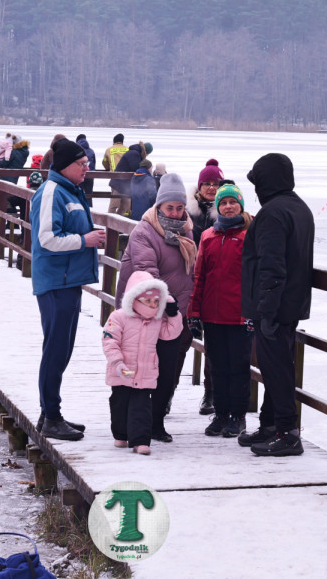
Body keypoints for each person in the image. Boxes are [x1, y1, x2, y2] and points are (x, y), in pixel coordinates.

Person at [30, 138, 105, 441]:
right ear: (65, 166)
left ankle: (49, 411)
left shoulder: (69, 190)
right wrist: (85, 241)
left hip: (68, 281)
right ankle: (51, 416)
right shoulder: (50, 192)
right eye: (82, 163)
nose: (87, 168)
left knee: (62, 349)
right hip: (55, 282)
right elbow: (46, 239)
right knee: (56, 349)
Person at [240, 153, 314, 457]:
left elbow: (272, 265)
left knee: (277, 368)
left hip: (274, 306)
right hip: (291, 302)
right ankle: (271, 424)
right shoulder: (299, 208)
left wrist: (266, 310)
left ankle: (287, 432)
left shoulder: (273, 213)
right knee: (275, 366)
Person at [115, 172, 197, 443]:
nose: (175, 212)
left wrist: (183, 311)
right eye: (170, 207)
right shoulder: (144, 231)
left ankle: (157, 422)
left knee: (167, 370)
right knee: (140, 370)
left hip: (173, 316)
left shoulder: (186, 230)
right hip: (143, 315)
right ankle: (128, 425)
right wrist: (167, 303)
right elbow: (145, 273)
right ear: (159, 206)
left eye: (180, 207)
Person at [187, 183, 253, 438]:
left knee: (238, 367)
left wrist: (252, 313)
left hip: (239, 314)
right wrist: (194, 311)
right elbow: (199, 274)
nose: (227, 206)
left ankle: (238, 416)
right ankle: (221, 413)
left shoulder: (250, 234)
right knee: (217, 367)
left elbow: (253, 276)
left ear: (240, 205)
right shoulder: (208, 236)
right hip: (212, 314)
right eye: (223, 203)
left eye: (232, 202)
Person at [103, 271, 183, 456]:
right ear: (135, 298)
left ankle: (140, 441)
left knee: (142, 407)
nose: (153, 305)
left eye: (157, 302)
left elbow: (171, 333)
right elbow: (109, 340)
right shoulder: (119, 317)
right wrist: (117, 362)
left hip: (146, 372)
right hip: (122, 370)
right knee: (119, 403)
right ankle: (121, 434)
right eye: (148, 302)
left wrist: (173, 313)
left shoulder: (157, 320)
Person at [186, 158, 224, 414]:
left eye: (216, 183)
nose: (211, 188)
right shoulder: (187, 211)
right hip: (187, 281)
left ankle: (210, 395)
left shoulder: (228, 211)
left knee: (213, 344)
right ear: (199, 187)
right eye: (207, 183)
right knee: (178, 340)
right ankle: (164, 397)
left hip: (214, 285)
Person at [110, 142, 150, 217]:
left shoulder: (136, 154)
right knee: (113, 206)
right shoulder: (134, 154)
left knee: (125, 206)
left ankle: (117, 224)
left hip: (125, 185)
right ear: (146, 152)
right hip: (118, 183)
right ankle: (108, 226)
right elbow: (135, 169)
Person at [103, 134, 129, 212]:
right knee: (125, 201)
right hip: (126, 178)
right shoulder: (127, 149)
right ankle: (122, 218)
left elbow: (105, 162)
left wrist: (108, 168)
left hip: (115, 177)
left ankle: (110, 218)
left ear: (114, 141)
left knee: (114, 202)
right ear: (122, 141)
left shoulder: (109, 150)